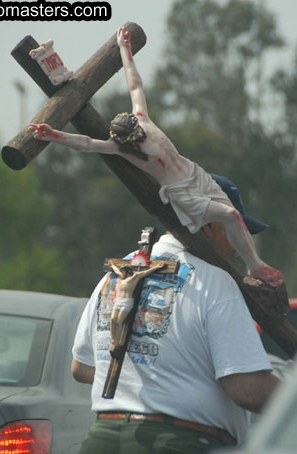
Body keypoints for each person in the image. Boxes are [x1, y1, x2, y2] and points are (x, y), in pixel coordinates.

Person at [30, 26, 282, 287]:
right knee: (229, 214)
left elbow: (135, 85)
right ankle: (255, 267)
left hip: (194, 173)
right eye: (137, 138)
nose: (142, 136)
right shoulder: (122, 149)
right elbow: (86, 143)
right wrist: (54, 135)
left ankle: (255, 263)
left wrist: (125, 50)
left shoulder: (142, 120)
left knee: (235, 214)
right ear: (129, 142)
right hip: (182, 192)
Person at [71, 174, 280, 454]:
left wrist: (154, 368)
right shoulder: (215, 282)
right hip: (177, 443)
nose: (238, 248)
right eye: (236, 230)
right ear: (210, 226)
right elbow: (246, 388)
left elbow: (83, 367)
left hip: (102, 440)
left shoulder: (117, 274)